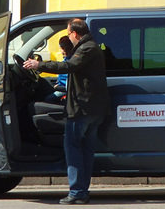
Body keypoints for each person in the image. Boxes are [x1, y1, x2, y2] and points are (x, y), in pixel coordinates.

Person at [23, 18, 110, 205]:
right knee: (85, 152)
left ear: (75, 34)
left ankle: (77, 191)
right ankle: (81, 191)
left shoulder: (86, 49)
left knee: (74, 150)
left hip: (83, 109)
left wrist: (40, 65)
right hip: (92, 109)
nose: (67, 37)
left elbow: (68, 66)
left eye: (68, 33)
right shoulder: (90, 47)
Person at [44, 36, 73, 104]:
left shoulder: (70, 62)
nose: (60, 51)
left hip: (64, 90)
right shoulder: (67, 59)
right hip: (61, 86)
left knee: (48, 99)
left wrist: (59, 87)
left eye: (61, 49)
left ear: (64, 49)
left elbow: (68, 83)